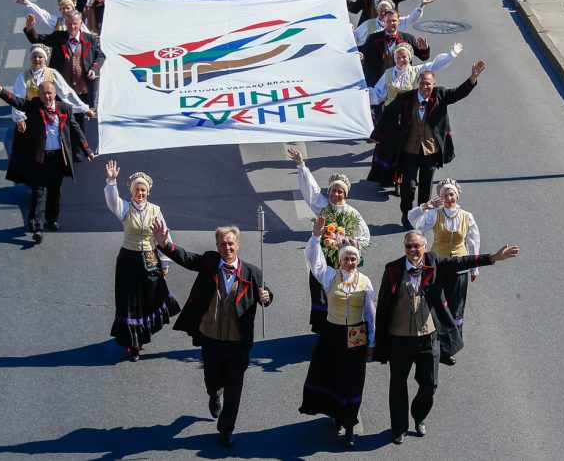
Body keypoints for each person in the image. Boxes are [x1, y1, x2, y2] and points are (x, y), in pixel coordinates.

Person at [374, 231, 518, 444]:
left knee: (430, 383)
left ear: (424, 246)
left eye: (416, 246)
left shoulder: (433, 261)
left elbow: (461, 261)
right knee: (397, 384)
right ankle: (399, 428)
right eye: (408, 247)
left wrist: (492, 258)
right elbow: (383, 306)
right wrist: (378, 340)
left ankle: (419, 414)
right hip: (400, 338)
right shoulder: (393, 269)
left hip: (428, 336)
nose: (413, 250)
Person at [152, 220, 272, 447]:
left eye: (231, 244)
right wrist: (164, 243)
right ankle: (214, 393)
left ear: (238, 246)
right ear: (217, 246)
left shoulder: (252, 272)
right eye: (223, 244)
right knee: (212, 379)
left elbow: (265, 295)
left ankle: (227, 429)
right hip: (211, 339)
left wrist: (267, 297)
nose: (227, 248)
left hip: (238, 344)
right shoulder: (209, 263)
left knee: (235, 388)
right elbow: (186, 258)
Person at [369, 63, 485, 228]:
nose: (425, 87)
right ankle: (407, 214)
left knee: (425, 187)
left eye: (428, 84)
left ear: (434, 84)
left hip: (431, 152)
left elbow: (458, 93)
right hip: (409, 151)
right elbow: (389, 113)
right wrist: (377, 135)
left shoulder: (440, 95)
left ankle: (422, 215)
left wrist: (473, 77)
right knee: (408, 186)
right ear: (418, 84)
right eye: (422, 83)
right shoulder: (406, 98)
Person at [0, 74, 95, 244]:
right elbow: (17, 102)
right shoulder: (34, 107)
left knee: (55, 191)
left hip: (58, 158)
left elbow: (75, 128)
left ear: (54, 93)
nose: (47, 96)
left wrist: (86, 149)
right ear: (39, 95)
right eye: (43, 93)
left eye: (49, 93)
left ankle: (52, 219)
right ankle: (37, 227)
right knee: (39, 192)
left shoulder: (64, 108)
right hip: (39, 158)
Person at [299, 216, 375, 448]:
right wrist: (315, 236)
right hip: (332, 332)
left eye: (353, 259)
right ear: (340, 260)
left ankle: (350, 424)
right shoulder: (330, 276)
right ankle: (335, 412)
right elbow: (315, 262)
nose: (349, 262)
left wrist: (371, 342)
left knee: (353, 378)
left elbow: (371, 315)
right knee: (332, 374)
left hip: (355, 334)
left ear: (357, 260)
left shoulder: (365, 282)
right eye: (346, 259)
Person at [287, 147, 370, 334]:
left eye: (340, 191)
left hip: (342, 263)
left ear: (345, 194)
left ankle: (342, 327)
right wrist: (301, 164)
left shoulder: (352, 214)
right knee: (319, 292)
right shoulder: (323, 207)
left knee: (341, 294)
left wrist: (350, 243)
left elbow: (364, 236)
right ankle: (322, 328)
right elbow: (311, 192)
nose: (336, 195)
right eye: (333, 191)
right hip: (323, 260)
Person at [104, 161, 180, 362]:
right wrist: (112, 181)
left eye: (143, 190)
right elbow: (112, 202)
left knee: (149, 297)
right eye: (137, 190)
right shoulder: (125, 208)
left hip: (149, 258)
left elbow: (163, 236)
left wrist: (164, 262)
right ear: (131, 192)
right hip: (128, 259)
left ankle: (142, 334)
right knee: (130, 301)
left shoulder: (155, 210)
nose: (140, 193)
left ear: (148, 192)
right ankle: (133, 343)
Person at [406, 179, 479, 343]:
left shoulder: (467, 217)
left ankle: (453, 342)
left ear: (457, 195)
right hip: (437, 266)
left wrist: (474, 269)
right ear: (440, 197)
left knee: (457, 305)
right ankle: (435, 339)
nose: (449, 198)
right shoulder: (435, 214)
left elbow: (473, 242)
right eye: (445, 195)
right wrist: (425, 206)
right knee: (437, 302)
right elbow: (413, 220)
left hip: (460, 267)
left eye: (451, 194)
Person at [8, 43, 94, 136]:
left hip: (51, 114)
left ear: (45, 59)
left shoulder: (52, 73)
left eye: (40, 57)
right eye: (35, 56)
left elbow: (66, 92)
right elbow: (18, 98)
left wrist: (84, 108)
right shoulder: (23, 77)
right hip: (32, 114)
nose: (37, 59)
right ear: (30, 58)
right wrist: (20, 119)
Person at [369, 41, 463, 108]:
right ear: (395, 59)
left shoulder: (416, 71)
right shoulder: (388, 73)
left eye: (404, 57)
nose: (401, 60)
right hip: (391, 113)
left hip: (411, 112)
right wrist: (361, 95)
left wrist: (451, 54)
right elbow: (377, 94)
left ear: (409, 58)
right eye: (398, 57)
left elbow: (434, 65)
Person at [360, 9, 430, 88]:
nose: (391, 23)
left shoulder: (408, 38)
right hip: (377, 84)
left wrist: (424, 49)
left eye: (394, 20)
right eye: (388, 21)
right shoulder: (373, 38)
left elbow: (424, 57)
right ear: (384, 22)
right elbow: (365, 56)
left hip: (401, 84)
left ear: (398, 21)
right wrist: (361, 57)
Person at [354, 0, 438, 46]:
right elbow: (355, 37)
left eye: (385, 10)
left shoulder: (396, 22)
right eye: (380, 10)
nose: (383, 12)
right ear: (377, 10)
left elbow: (411, 18)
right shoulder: (369, 24)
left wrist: (421, 6)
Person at [12, 0, 91, 34]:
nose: (66, 11)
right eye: (63, 8)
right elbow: (43, 15)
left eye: (68, 8)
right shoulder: (58, 22)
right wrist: (27, 3)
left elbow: (88, 37)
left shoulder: (78, 22)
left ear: (73, 9)